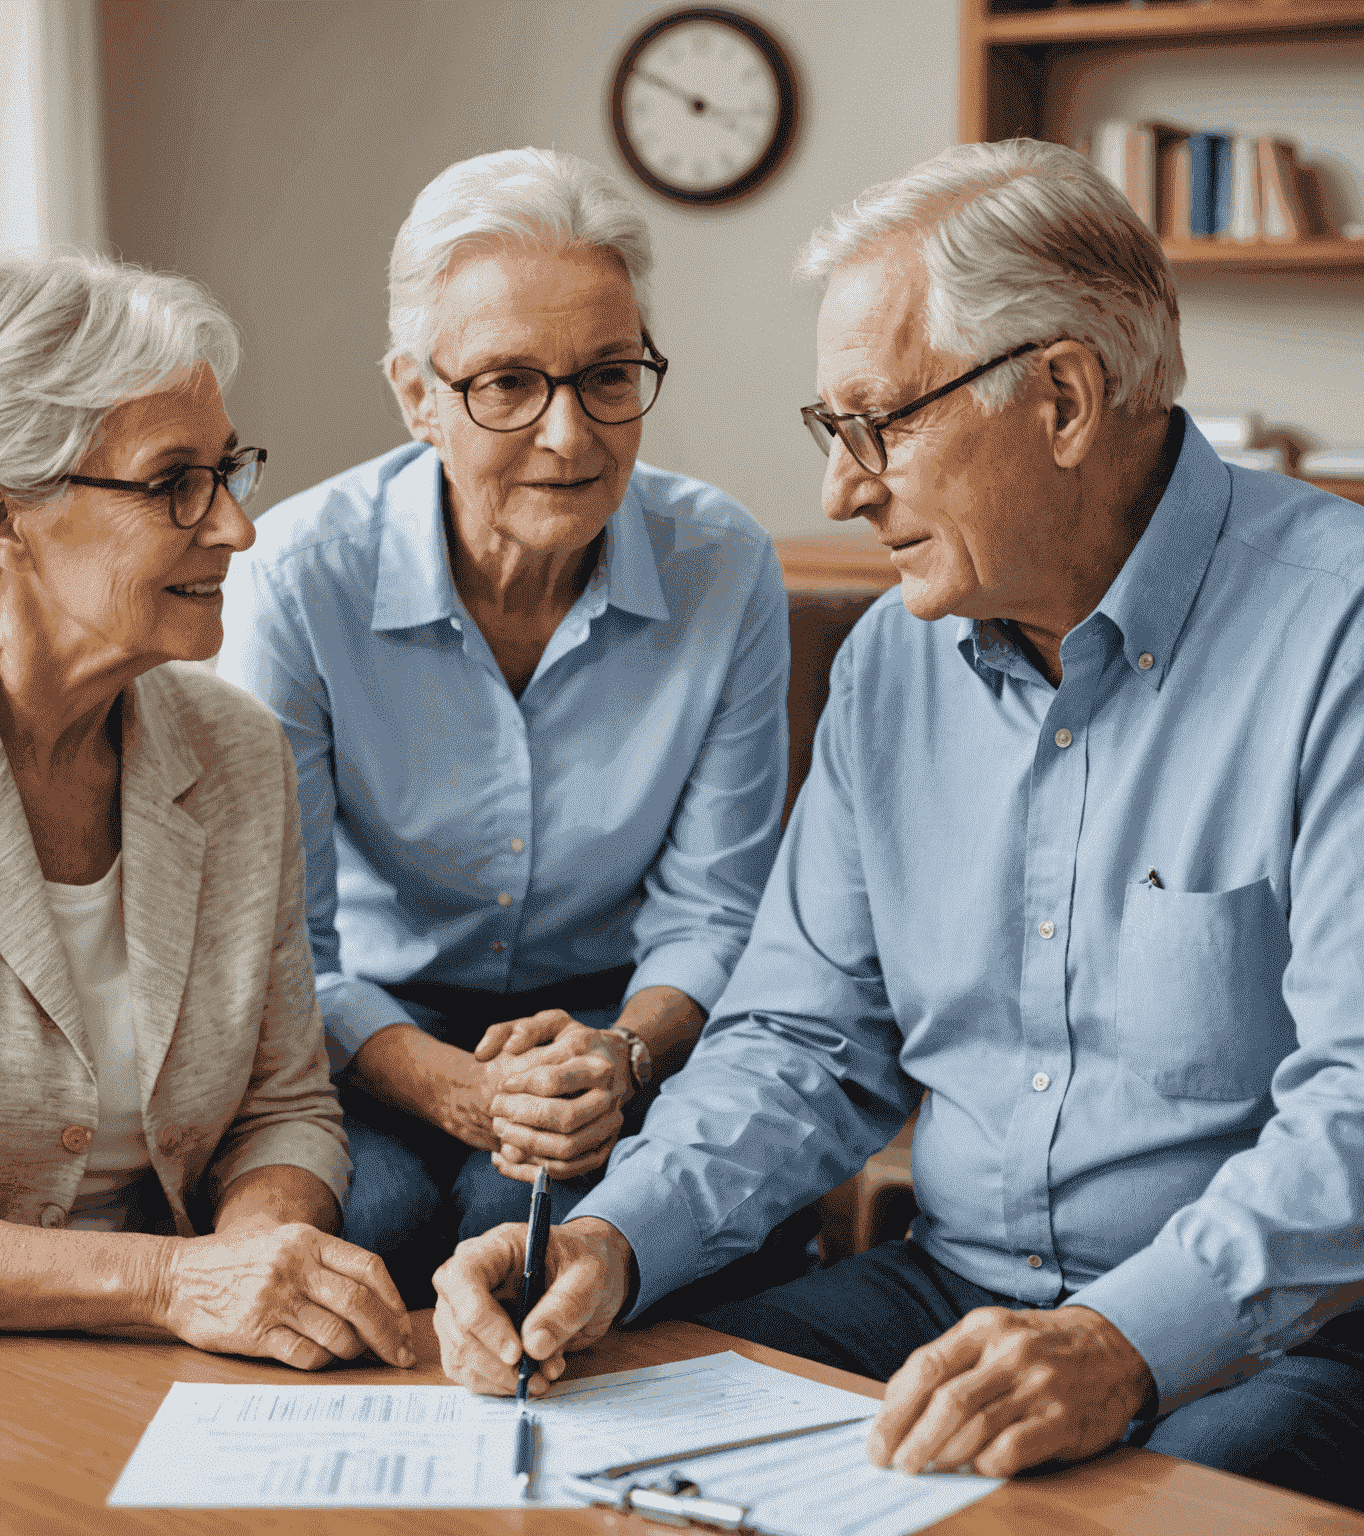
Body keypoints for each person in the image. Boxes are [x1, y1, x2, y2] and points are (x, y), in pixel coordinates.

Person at [431, 139, 1364, 1510]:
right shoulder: (893, 662)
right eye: (833, 431)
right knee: (587, 1449)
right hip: (947, 1294)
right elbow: (805, 1041)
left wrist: (1120, 1344)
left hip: (1278, 1337)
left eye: (881, 422)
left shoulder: (1337, 633)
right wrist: (613, 1238)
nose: (841, 490)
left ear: (1061, 397)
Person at [218, 147, 790, 1299]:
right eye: (507, 384)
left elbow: (718, 909)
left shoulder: (725, 567)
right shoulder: (297, 579)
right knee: (372, 1225)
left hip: (613, 1034)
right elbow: (284, 948)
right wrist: (453, 1088)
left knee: (535, 1235)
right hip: (367, 1035)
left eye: (608, 377)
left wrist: (623, 1056)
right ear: (417, 395)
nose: (571, 436)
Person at [0, 252, 411, 1372]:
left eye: (228, 469)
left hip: (187, 1360)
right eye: (174, 482)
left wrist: (259, 1261)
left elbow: (284, 1106)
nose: (236, 526)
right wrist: (172, 1282)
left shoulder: (236, 752)